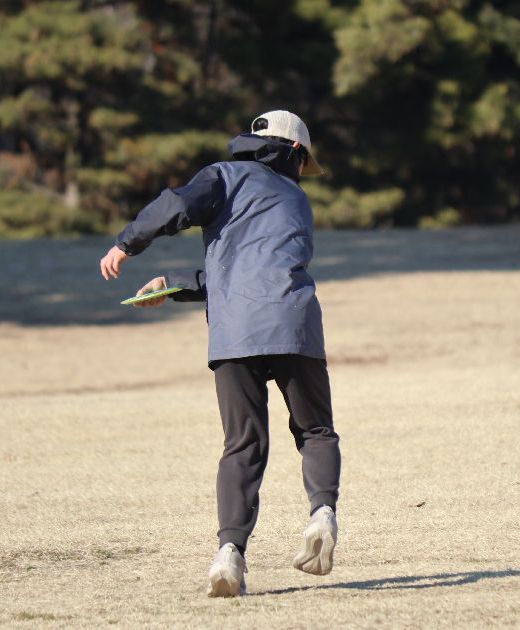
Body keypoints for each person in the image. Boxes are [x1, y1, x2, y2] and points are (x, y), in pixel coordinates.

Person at [98, 110, 341, 598]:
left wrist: (128, 243)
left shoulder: (223, 176)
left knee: (242, 444)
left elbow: (176, 206)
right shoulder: (296, 199)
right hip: (293, 323)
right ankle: (322, 513)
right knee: (315, 430)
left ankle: (229, 553)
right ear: (294, 153)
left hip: (235, 334)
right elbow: (263, 270)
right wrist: (178, 286)